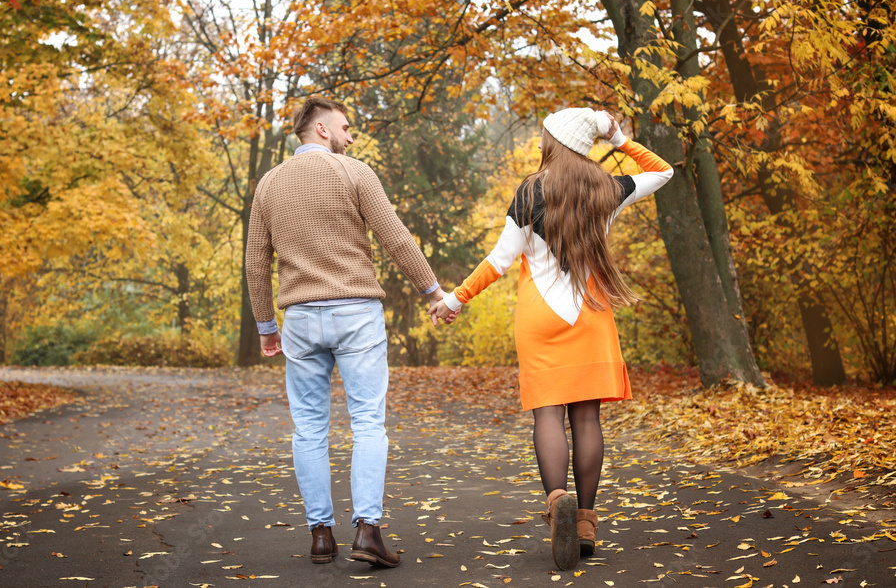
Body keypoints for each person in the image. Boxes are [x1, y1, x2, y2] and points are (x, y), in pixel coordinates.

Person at [430, 108, 672, 570]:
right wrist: (619, 138)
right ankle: (584, 520)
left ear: (554, 141)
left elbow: (499, 260)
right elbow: (663, 171)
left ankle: (555, 498)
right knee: (587, 419)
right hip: (592, 315)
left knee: (548, 415)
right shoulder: (607, 189)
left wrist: (456, 299)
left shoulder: (530, 191)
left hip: (541, 319)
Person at [245, 96, 447, 569]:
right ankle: (368, 532)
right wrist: (433, 292)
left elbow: (257, 260)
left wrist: (265, 327)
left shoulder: (268, 185)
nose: (350, 137)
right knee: (367, 423)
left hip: (298, 318)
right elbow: (394, 235)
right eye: (345, 127)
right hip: (356, 313)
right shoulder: (354, 173)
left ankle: (320, 536)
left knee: (309, 429)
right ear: (320, 129)